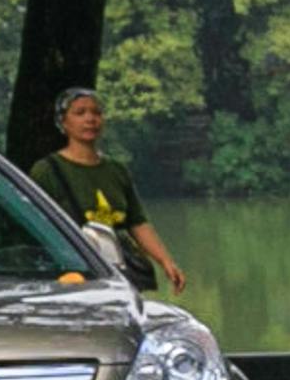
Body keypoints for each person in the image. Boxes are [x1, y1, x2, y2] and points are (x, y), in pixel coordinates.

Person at [28, 86, 188, 294]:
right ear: (64, 122)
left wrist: (166, 262)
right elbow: (34, 226)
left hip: (120, 274)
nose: (90, 119)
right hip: (74, 277)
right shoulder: (47, 171)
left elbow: (137, 223)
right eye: (80, 113)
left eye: (96, 112)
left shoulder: (116, 170)